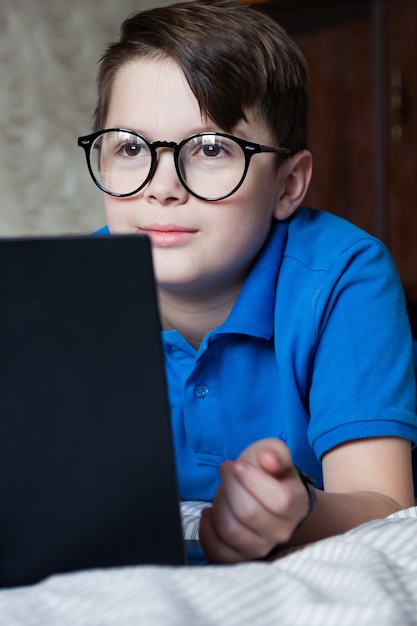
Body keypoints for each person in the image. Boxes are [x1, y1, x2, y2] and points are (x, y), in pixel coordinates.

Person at [78, 0, 417, 563]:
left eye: (211, 148)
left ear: (288, 185)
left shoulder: (345, 277)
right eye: (132, 147)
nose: (161, 187)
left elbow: (385, 506)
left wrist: (297, 512)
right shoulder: (67, 291)